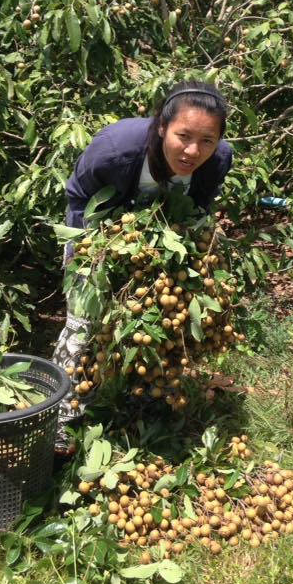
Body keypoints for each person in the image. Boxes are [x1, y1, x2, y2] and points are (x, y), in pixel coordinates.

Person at [53, 80, 233, 430]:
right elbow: (78, 195)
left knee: (168, 318)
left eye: (206, 141)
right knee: (85, 324)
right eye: (184, 136)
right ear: (162, 126)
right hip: (101, 231)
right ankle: (65, 417)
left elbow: (200, 205)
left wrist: (191, 245)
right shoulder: (115, 149)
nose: (193, 151)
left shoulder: (218, 160)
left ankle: (148, 407)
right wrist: (88, 255)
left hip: (165, 235)